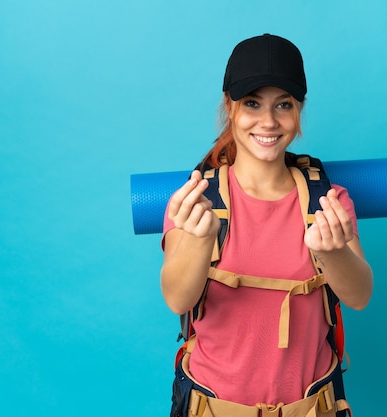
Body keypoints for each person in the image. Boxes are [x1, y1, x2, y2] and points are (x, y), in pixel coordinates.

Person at [160, 34, 373, 417]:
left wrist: (332, 251)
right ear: (230, 107)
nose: (269, 122)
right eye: (253, 103)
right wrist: (199, 239)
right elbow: (177, 299)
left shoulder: (328, 201)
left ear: (299, 110)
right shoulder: (197, 199)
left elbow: (359, 296)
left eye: (284, 105)